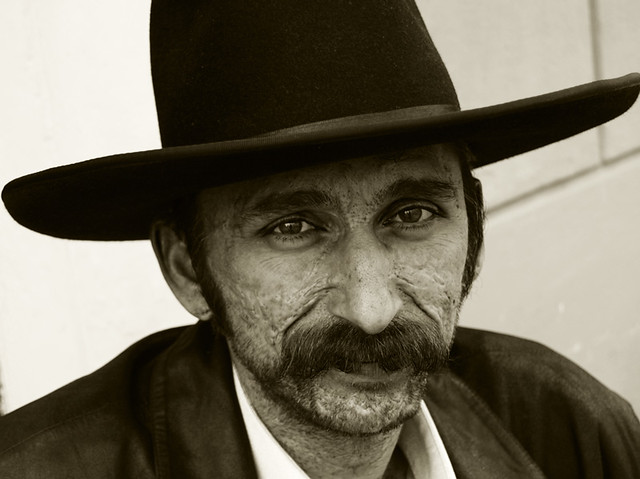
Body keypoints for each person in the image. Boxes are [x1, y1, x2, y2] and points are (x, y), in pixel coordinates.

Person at [1, 0, 640, 477]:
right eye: (293, 228)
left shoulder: (567, 429)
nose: (372, 309)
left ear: (473, 225)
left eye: (412, 214)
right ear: (188, 268)